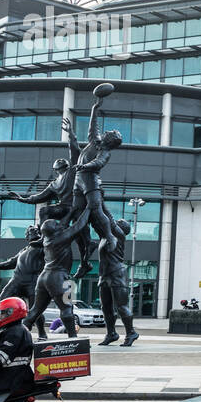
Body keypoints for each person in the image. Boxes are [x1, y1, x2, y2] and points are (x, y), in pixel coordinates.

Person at [66, 105, 123, 277]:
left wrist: (84, 165)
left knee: (96, 209)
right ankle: (87, 250)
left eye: (110, 132)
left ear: (111, 140)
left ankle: (109, 236)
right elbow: (93, 126)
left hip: (91, 181)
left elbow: (98, 163)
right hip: (79, 180)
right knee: (76, 214)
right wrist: (95, 107)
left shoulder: (105, 152)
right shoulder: (94, 141)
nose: (107, 131)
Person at [23, 206, 92, 337]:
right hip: (59, 278)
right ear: (55, 229)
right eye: (56, 224)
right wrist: (88, 207)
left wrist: (71, 211)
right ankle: (73, 338)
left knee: (35, 310)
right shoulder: (62, 237)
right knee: (67, 307)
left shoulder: (46, 239)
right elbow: (80, 224)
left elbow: (64, 224)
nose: (60, 224)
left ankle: (20, 335)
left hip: (43, 278)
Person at [0, 225, 47, 340]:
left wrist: (44, 233)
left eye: (35, 230)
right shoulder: (23, 251)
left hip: (32, 282)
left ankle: (42, 334)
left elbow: (49, 241)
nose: (33, 231)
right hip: (16, 282)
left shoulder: (43, 247)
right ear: (26, 237)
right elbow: (9, 263)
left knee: (36, 310)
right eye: (30, 231)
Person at [98, 217, 139, 347]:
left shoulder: (119, 235)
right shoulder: (105, 236)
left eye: (119, 222)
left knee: (121, 307)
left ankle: (131, 332)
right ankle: (111, 334)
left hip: (117, 274)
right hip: (104, 275)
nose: (116, 222)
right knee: (106, 307)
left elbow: (106, 218)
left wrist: (99, 201)